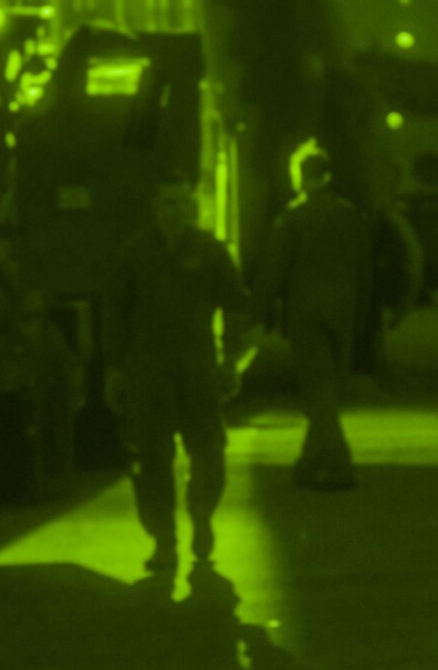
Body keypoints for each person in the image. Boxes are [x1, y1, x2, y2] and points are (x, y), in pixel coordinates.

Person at [103, 172, 253, 572]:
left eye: (184, 203)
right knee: (151, 459)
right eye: (169, 202)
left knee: (209, 452)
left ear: (193, 206)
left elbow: (236, 303)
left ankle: (201, 515)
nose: (177, 210)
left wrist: (230, 357)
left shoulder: (209, 251)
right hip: (147, 370)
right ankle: (164, 540)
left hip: (197, 367)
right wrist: (114, 369)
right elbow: (114, 314)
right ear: (155, 207)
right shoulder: (134, 254)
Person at [253, 140, 376, 490]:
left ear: (298, 175)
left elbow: (272, 273)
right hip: (343, 313)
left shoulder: (292, 217)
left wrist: (252, 317)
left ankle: (340, 464)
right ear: (328, 175)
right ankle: (309, 463)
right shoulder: (350, 215)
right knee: (327, 393)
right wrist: (360, 317)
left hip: (306, 315)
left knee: (318, 396)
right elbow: (365, 272)